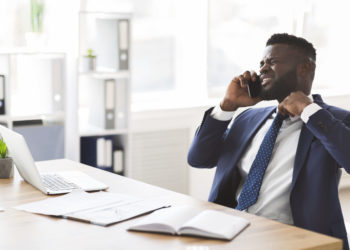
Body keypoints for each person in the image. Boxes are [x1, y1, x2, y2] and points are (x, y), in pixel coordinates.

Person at [187, 33, 350, 249]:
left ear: (304, 68)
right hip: (232, 228)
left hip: (294, 237)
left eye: (272, 62)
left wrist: (309, 110)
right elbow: (199, 159)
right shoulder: (248, 118)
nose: (262, 68)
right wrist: (227, 106)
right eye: (261, 63)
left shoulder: (333, 120)